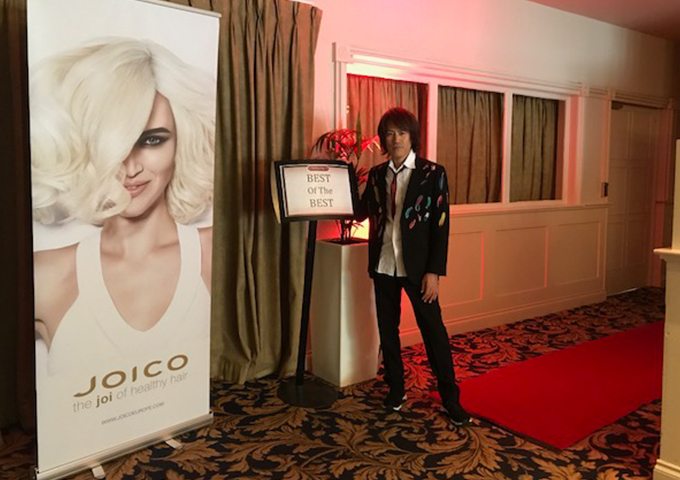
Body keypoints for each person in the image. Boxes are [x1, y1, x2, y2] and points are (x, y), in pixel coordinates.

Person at [30, 39, 216, 370]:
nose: (130, 168)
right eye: (113, 144)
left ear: (182, 140)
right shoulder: (44, 275)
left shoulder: (215, 254)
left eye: (152, 140)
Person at [357, 107, 470, 425]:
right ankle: (396, 389)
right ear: (383, 139)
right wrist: (345, 182)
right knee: (387, 330)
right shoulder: (377, 174)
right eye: (389, 133)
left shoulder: (433, 174)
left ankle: (450, 398)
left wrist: (434, 272)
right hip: (384, 264)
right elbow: (362, 211)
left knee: (434, 332)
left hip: (419, 270)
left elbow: (440, 226)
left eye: (402, 133)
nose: (396, 139)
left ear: (412, 136)